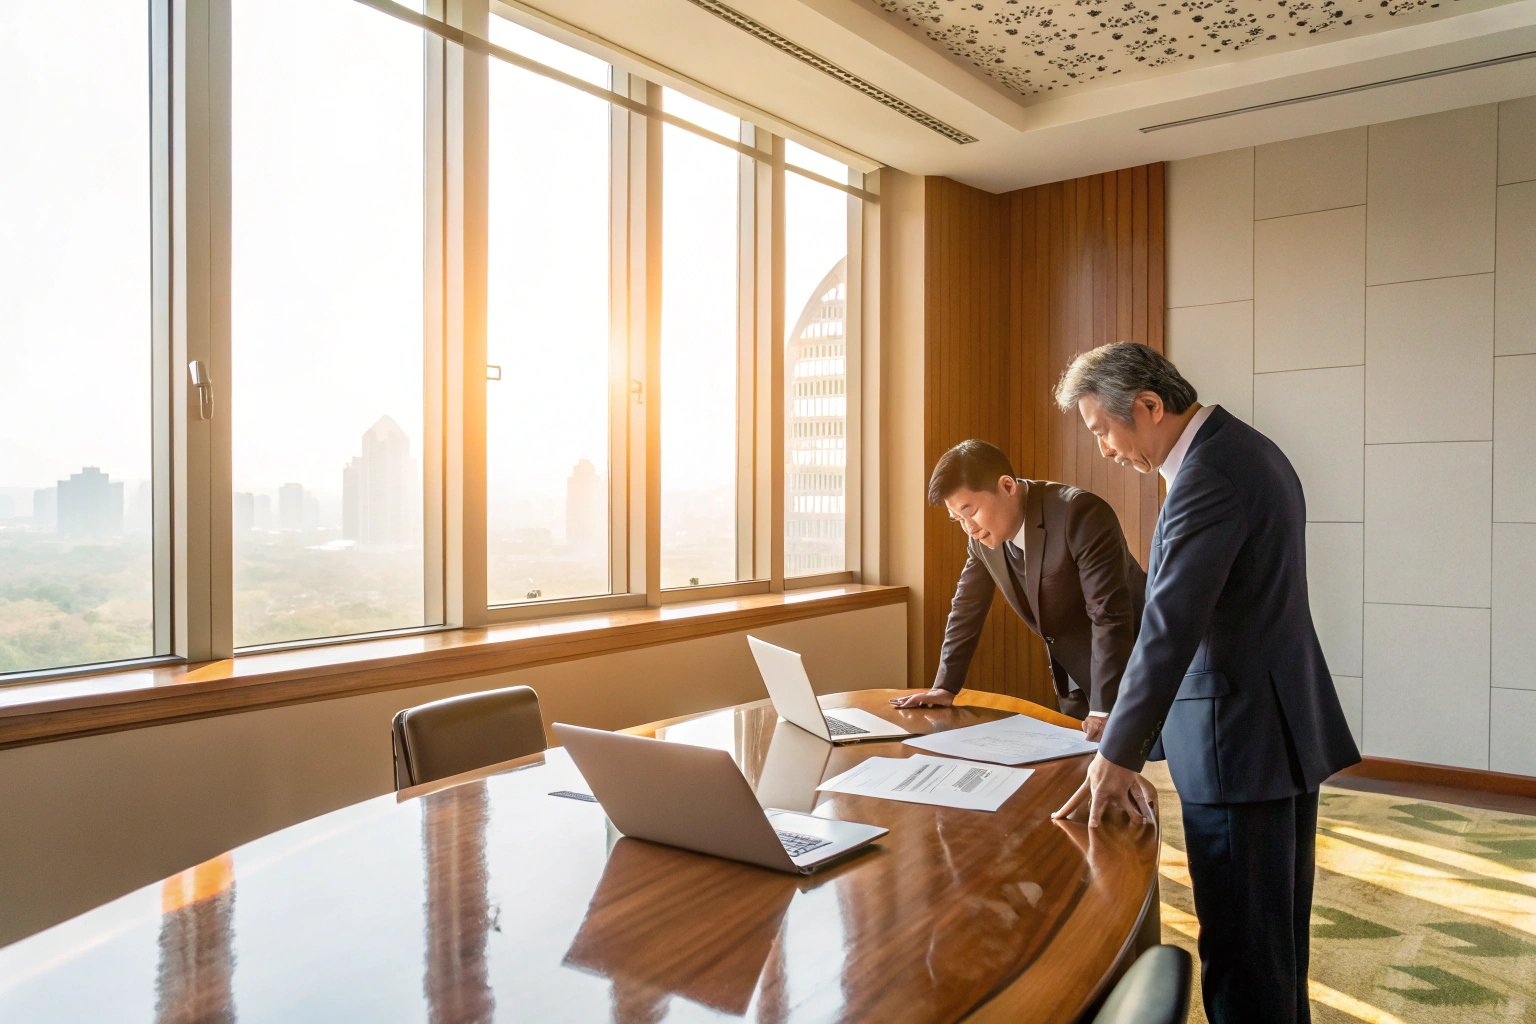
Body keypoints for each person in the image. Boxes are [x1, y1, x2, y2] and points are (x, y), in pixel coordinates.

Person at [1049, 343, 1360, 1024]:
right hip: (1270, 729)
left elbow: (1171, 626)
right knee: (1273, 945)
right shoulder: (1242, 449)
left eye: (1102, 428)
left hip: (1239, 743)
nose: (1103, 449)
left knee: (1244, 954)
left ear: (1150, 407)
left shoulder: (1209, 476)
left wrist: (1118, 753)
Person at [891, 439, 1146, 740]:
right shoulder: (981, 540)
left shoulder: (1079, 513)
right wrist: (945, 687)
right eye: (958, 519)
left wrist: (1104, 709)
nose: (968, 527)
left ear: (1007, 486)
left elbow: (1108, 614)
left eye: (969, 510)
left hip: (1139, 665)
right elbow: (966, 610)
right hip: (1076, 678)